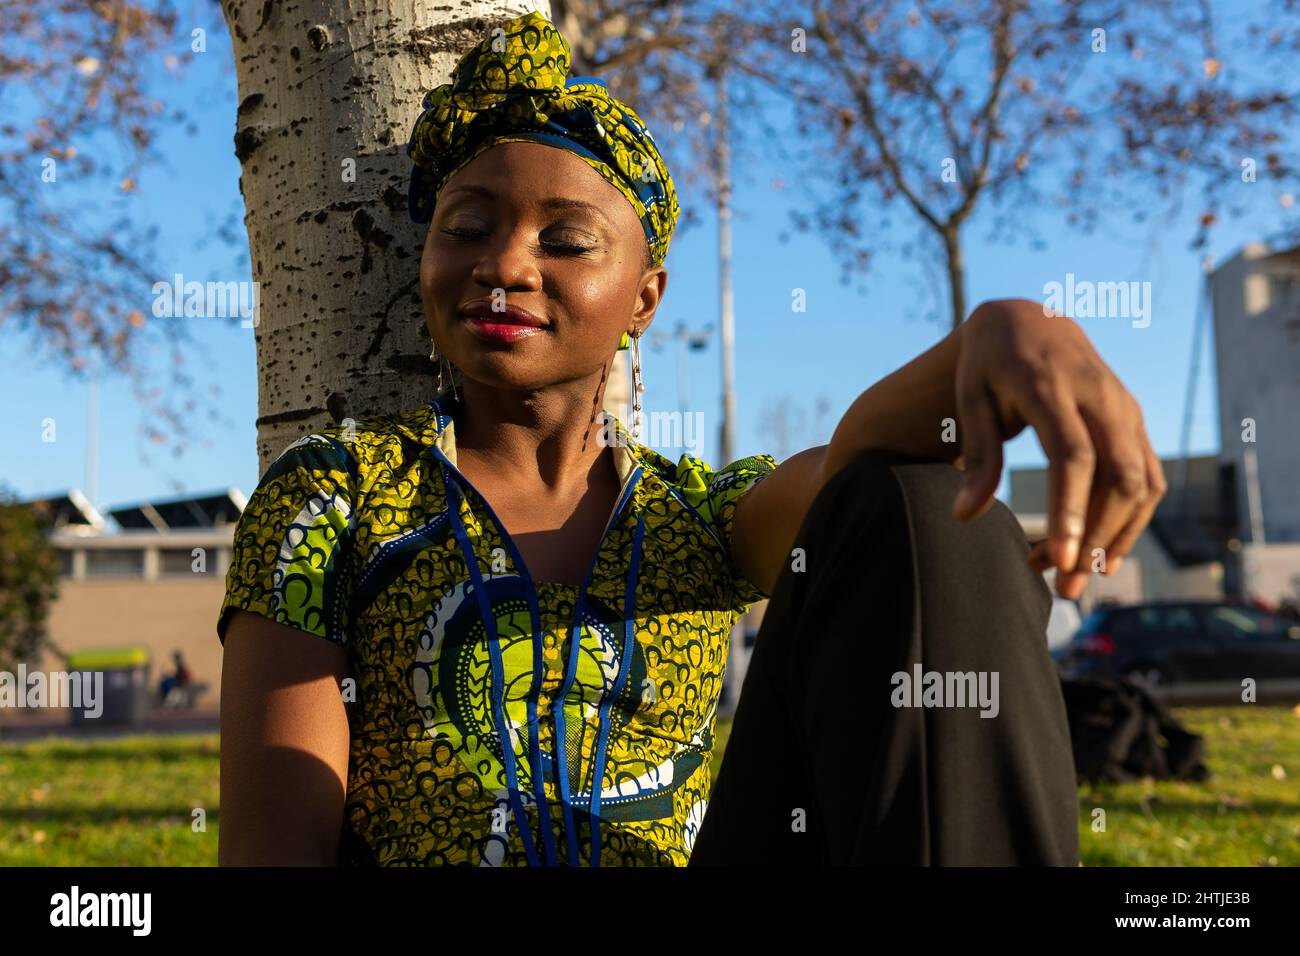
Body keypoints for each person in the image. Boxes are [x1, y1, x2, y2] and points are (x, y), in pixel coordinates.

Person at [217, 11, 1165, 867]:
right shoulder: (335, 495)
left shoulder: (698, 517)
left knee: (928, 511)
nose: (503, 265)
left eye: (566, 241)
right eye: (466, 228)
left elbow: (855, 481)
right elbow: (275, 848)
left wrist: (1007, 333)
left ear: (644, 299)